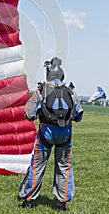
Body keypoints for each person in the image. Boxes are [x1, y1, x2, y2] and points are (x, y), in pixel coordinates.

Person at [18, 57, 83, 211]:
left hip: (45, 135)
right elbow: (79, 115)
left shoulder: (42, 90)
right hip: (65, 136)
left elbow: (28, 114)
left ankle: (29, 199)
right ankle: (62, 203)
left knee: (37, 166)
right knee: (64, 167)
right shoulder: (71, 91)